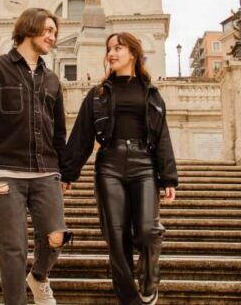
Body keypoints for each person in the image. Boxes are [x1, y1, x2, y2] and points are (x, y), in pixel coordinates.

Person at [0, 8, 71, 305]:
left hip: (46, 170)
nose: (52, 37)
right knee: (13, 248)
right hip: (3, 171)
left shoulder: (53, 81)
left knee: (56, 235)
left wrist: (66, 171)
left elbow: (59, 132)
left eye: (54, 33)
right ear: (29, 29)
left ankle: (39, 277)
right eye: (47, 30)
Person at [62, 32, 179, 305]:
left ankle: (149, 279)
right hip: (109, 166)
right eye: (109, 49)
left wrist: (168, 177)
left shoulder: (151, 92)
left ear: (133, 54)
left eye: (118, 48)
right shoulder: (97, 94)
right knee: (116, 236)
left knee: (148, 230)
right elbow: (81, 135)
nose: (111, 53)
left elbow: (162, 135)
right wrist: (68, 172)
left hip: (144, 164)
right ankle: (129, 299)